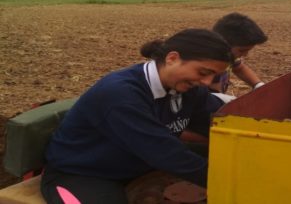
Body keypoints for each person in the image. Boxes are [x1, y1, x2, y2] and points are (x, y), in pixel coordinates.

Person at [41, 28, 233, 204]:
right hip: (84, 173)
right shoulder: (120, 94)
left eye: (214, 76)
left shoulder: (189, 89)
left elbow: (221, 123)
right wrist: (230, 184)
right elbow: (163, 151)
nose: (207, 82)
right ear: (172, 58)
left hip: (137, 164)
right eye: (203, 72)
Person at [210, 12, 268, 94]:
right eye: (242, 50)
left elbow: (239, 69)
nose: (245, 55)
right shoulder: (212, 63)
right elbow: (214, 94)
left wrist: (258, 85)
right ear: (222, 43)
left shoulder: (228, 55)